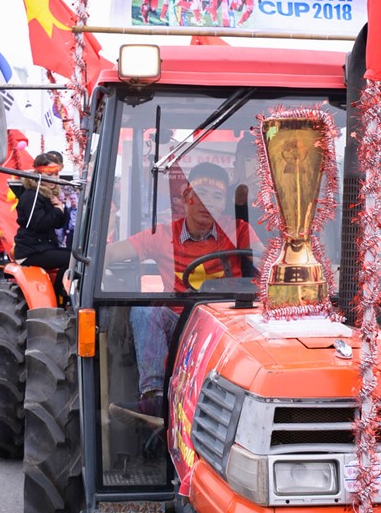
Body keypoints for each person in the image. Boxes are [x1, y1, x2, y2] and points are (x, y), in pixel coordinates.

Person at [104, 163, 245, 416]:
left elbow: (267, 259)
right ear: (187, 197)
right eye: (200, 193)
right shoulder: (164, 235)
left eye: (217, 196)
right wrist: (89, 260)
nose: (208, 202)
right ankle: (153, 397)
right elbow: (115, 251)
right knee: (145, 310)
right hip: (179, 322)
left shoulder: (239, 230)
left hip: (229, 323)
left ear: (224, 203)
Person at [13, 153, 71, 302]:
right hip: (31, 251)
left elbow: (57, 224)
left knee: (76, 255)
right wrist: (58, 210)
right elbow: (38, 224)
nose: (53, 178)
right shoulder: (31, 196)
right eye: (48, 174)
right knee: (71, 259)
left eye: (56, 174)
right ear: (39, 174)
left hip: (43, 247)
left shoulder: (48, 195)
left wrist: (61, 209)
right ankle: (60, 296)